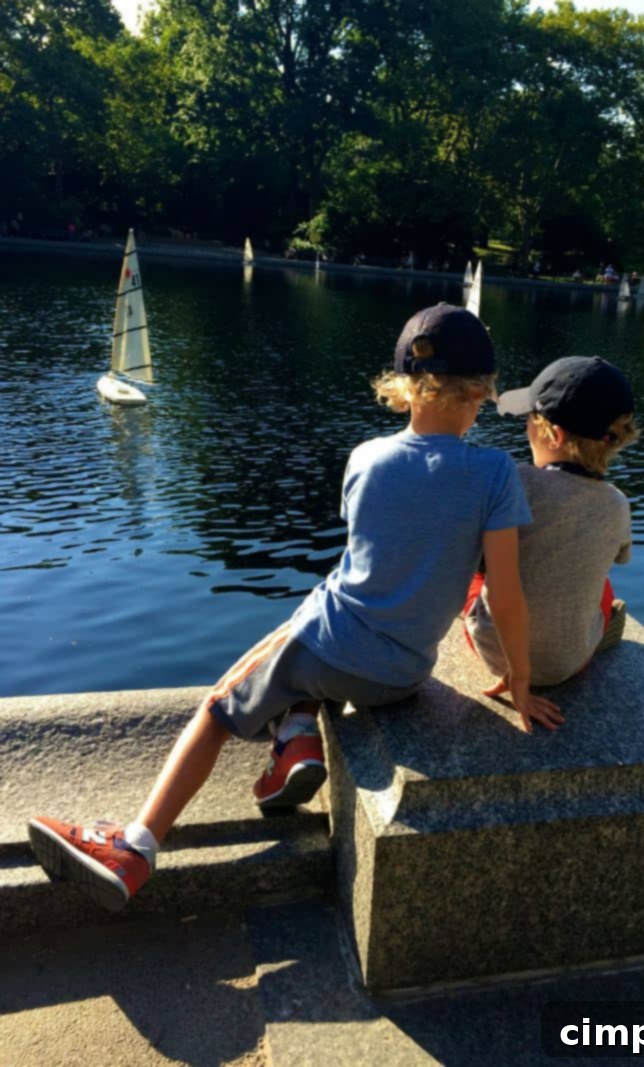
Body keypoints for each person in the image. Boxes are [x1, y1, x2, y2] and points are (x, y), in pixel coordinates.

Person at [28, 303, 562, 914]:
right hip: (406, 672)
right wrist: (520, 683)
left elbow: (367, 560)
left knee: (218, 707)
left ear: (402, 387)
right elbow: (505, 591)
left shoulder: (367, 458)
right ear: (481, 391)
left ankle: (136, 845)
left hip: (335, 641)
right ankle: (298, 737)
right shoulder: (496, 472)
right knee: (309, 663)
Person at [464, 356, 639, 692]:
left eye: (530, 419)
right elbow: (619, 557)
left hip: (497, 655)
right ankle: (599, 627)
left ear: (554, 435)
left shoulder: (514, 482)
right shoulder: (617, 503)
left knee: (476, 572)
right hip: (571, 663)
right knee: (601, 584)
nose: (525, 426)